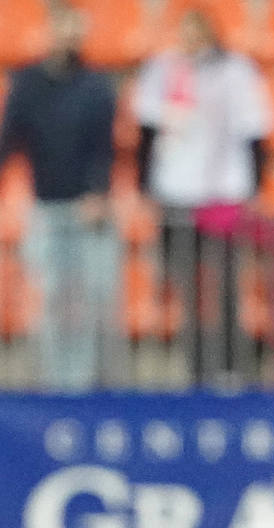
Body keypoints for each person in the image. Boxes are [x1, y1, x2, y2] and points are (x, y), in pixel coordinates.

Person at [133, 5, 272, 384]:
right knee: (186, 287)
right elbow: (146, 132)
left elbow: (255, 131)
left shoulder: (236, 71)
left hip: (222, 193)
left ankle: (230, 366)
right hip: (176, 194)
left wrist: (256, 185)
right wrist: (143, 187)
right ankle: (196, 367)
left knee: (226, 283)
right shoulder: (163, 70)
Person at [0, 2, 119, 391]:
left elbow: (104, 147)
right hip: (47, 208)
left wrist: (99, 193)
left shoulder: (97, 84)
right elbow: (9, 141)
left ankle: (86, 387)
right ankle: (55, 384)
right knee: (50, 301)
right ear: (51, 27)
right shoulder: (28, 82)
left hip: (88, 212)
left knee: (90, 304)